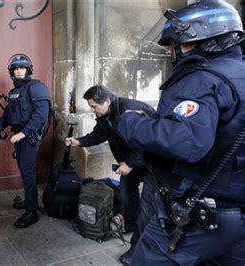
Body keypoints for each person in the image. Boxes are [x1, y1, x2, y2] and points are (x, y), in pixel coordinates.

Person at [114, 1, 245, 265]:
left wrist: (129, 123)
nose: (170, 52)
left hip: (200, 216)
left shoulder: (201, 78)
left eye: (174, 44)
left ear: (197, 38)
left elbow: (186, 142)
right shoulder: (237, 73)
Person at [64, 84, 156, 264]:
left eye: (94, 106)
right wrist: (78, 141)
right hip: (131, 160)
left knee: (149, 203)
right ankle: (131, 222)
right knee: (127, 190)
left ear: (107, 101)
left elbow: (145, 143)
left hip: (151, 161)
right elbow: (99, 135)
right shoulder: (106, 114)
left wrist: (129, 164)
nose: (92, 109)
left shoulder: (131, 111)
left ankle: (139, 248)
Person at [0, 54, 51, 228]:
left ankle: (31, 212)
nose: (19, 71)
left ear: (28, 69)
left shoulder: (36, 87)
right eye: (15, 69)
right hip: (20, 136)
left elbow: (41, 115)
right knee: (25, 172)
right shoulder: (14, 92)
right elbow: (9, 113)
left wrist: (23, 133)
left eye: (22, 68)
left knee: (27, 173)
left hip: (29, 137)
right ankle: (29, 200)